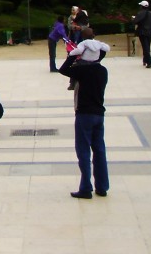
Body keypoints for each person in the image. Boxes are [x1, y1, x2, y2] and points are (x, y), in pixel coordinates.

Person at [58, 49, 109, 199]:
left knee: (84, 152)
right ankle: (102, 186)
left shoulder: (82, 71)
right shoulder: (102, 71)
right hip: (99, 114)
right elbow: (101, 56)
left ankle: (86, 187)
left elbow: (63, 69)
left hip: (84, 114)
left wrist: (72, 54)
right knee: (100, 151)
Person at [132, 0, 151, 68]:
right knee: (147, 46)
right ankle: (145, 60)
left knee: (145, 47)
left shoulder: (140, 13)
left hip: (143, 32)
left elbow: (135, 21)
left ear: (142, 6)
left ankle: (149, 62)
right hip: (150, 32)